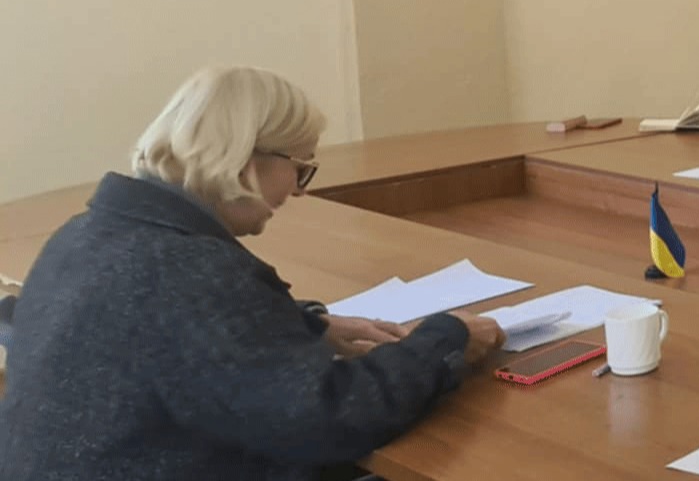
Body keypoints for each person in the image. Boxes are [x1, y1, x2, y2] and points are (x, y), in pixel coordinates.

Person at [0, 66, 505, 481]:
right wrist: (446, 339)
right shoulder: (192, 270)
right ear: (247, 157)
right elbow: (330, 418)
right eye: (301, 167)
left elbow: (165, 336)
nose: (301, 190)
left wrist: (303, 324)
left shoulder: (83, 235)